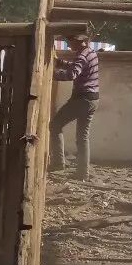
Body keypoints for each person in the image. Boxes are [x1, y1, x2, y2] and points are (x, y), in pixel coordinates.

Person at [51, 31, 100, 181]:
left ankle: (58, 163)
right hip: (93, 99)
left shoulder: (82, 55)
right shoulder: (91, 52)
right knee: (83, 137)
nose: (68, 44)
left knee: (55, 125)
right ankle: (83, 173)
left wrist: (52, 75)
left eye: (69, 41)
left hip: (82, 99)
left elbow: (73, 74)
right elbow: (78, 67)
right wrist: (61, 63)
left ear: (78, 41)